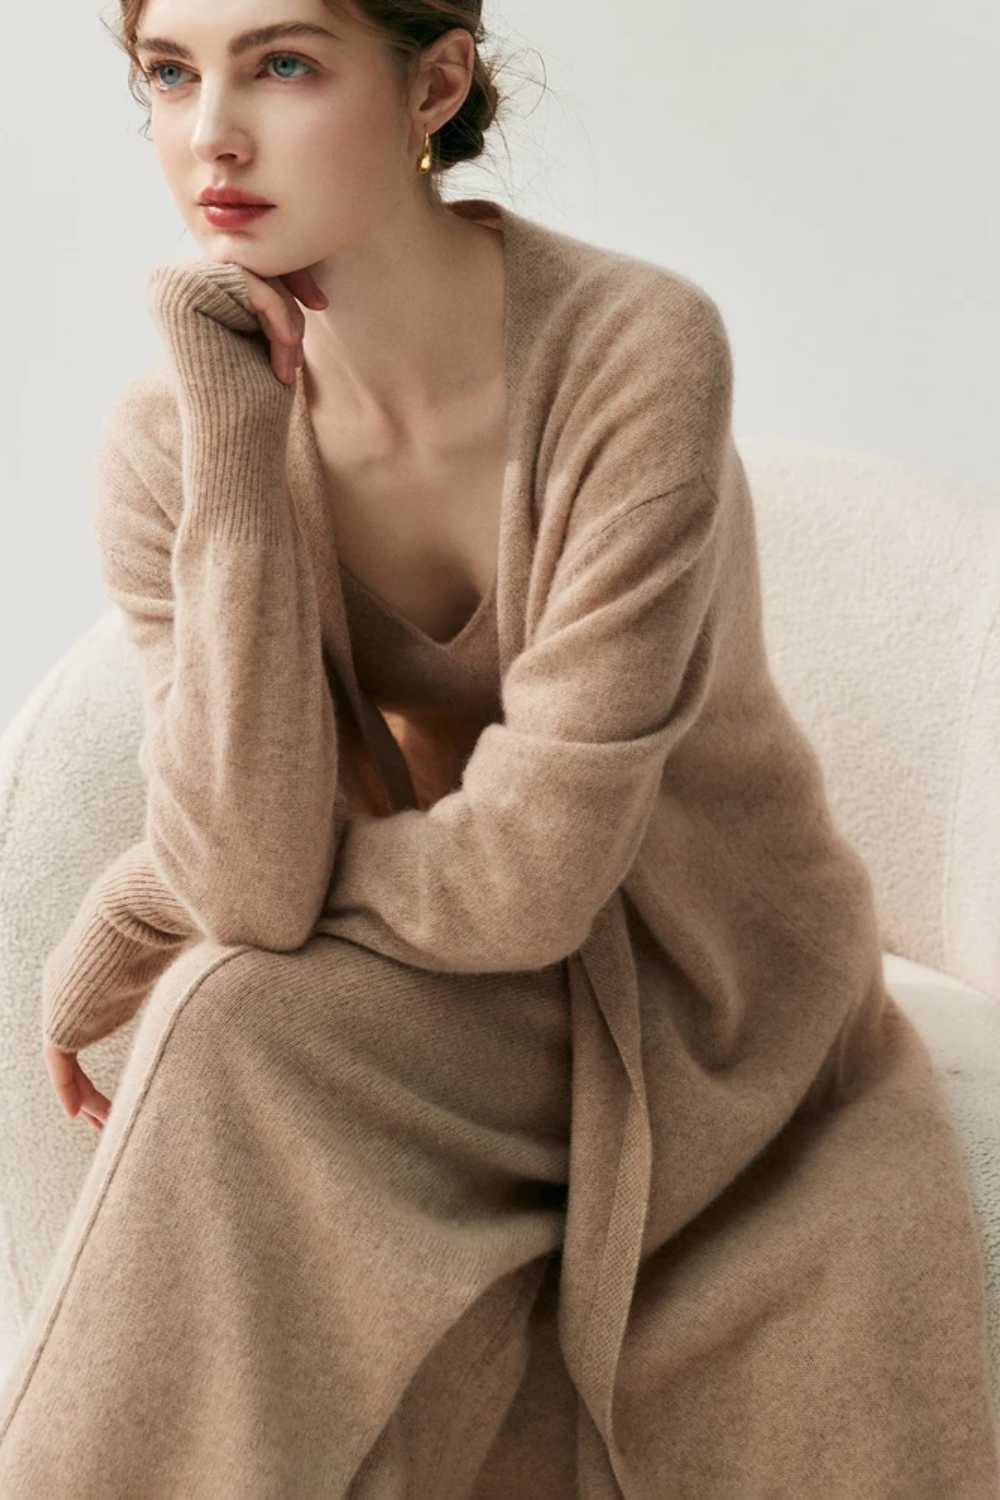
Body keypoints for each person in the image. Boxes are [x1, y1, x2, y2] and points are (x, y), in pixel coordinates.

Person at [1, 1, 997, 1496]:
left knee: (218, 1011)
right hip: (445, 998)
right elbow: (255, 883)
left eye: (281, 63)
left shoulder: (633, 358)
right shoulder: (176, 439)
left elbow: (534, 874)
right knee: (232, 1012)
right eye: (166, 72)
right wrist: (231, 425)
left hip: (704, 987)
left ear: (437, 80)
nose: (209, 130)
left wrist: (157, 899)